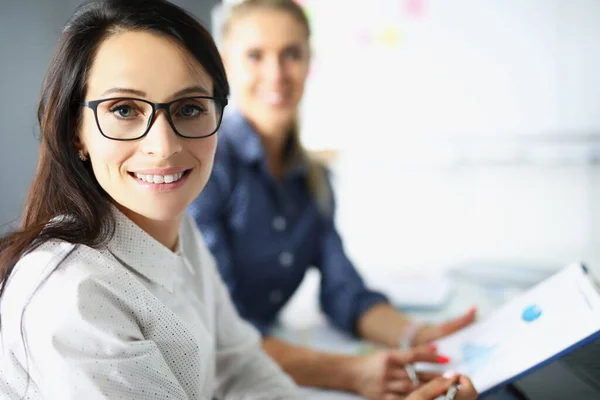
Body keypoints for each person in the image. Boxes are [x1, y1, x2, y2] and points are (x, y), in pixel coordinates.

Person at [0, 0, 302, 398]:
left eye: (191, 108)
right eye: (124, 109)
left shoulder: (180, 228)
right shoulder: (73, 296)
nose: (162, 146)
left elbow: (240, 366)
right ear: (77, 133)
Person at [188, 0, 478, 399]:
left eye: (291, 54)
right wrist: (349, 373)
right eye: (255, 55)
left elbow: (344, 291)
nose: (276, 74)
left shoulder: (314, 179)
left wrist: (417, 335)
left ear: (309, 62)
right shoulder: (203, 167)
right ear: (225, 64)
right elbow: (218, 334)